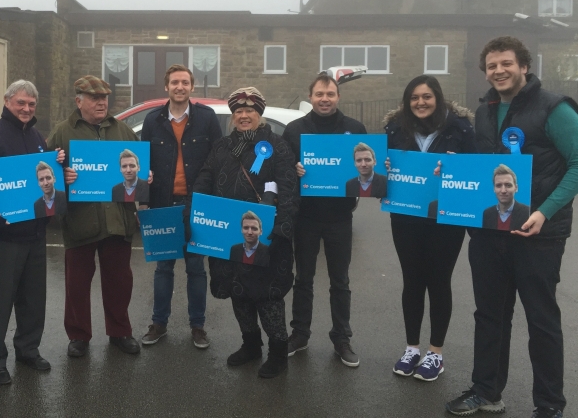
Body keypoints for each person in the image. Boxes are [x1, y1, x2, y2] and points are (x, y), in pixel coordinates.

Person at [446, 37, 578, 418]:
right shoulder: (484, 111)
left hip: (539, 235)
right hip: (490, 233)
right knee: (489, 316)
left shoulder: (554, 108)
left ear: (524, 65)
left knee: (541, 321)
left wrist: (546, 212)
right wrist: (455, 168)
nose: (498, 71)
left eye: (506, 64)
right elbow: (488, 166)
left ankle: (550, 406)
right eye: (491, 66)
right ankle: (486, 391)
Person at [189, 86, 297, 379]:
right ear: (233, 116)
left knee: (268, 297)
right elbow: (206, 177)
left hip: (268, 237)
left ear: (260, 115)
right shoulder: (222, 147)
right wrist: (196, 208)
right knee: (239, 293)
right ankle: (251, 345)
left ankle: (277, 353)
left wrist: (280, 229)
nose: (244, 116)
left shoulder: (277, 145)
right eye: (238, 111)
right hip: (228, 237)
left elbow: (288, 188)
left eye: (250, 111)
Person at [383, 74, 476, 381]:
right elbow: (378, 165)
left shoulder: (461, 129)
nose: (420, 103)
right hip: (405, 218)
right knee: (412, 280)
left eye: (426, 97)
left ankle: (435, 353)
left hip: (445, 220)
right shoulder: (395, 128)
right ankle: (411, 348)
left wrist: (457, 164)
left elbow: (476, 170)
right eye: (414, 98)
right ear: (407, 102)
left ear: (437, 98)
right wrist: (381, 167)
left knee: (438, 281)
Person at [47, 75, 142, 357]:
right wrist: (61, 177)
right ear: (79, 101)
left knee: (119, 281)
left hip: (117, 220)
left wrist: (145, 176)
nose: (101, 103)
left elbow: (139, 168)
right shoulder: (62, 133)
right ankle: (78, 336)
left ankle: (120, 331)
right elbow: (43, 174)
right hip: (80, 220)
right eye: (94, 98)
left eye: (104, 98)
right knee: (77, 283)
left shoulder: (123, 130)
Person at [0, 80, 64, 385]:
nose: (26, 109)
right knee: (1, 302)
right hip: (4, 236)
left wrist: (58, 164)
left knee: (33, 299)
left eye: (31, 104)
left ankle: (28, 349)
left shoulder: (39, 137)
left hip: (35, 233)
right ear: (7, 101)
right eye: (21, 103)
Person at [282, 74, 366, 367]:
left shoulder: (355, 130)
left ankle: (341, 338)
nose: (325, 99)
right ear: (311, 96)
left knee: (340, 281)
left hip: (340, 218)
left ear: (338, 96)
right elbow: (282, 171)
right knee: (303, 279)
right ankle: (300, 334)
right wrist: (294, 169)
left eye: (330, 93)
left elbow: (368, 170)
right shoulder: (294, 130)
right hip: (305, 218)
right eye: (319, 94)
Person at [139, 64, 222, 349]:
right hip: (163, 203)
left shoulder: (206, 118)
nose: (179, 87)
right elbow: (144, 163)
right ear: (167, 86)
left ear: (191, 86)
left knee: (196, 268)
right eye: (174, 82)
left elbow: (217, 160)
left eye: (185, 82)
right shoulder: (153, 121)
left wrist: (211, 200)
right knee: (163, 267)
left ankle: (197, 327)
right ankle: (159, 323)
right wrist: (144, 200)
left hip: (196, 204)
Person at [481, 164, 530, 231]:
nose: (503, 190)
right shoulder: (487, 214)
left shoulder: (527, 213)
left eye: (508, 185)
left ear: (516, 188)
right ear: (494, 189)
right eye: (498, 185)